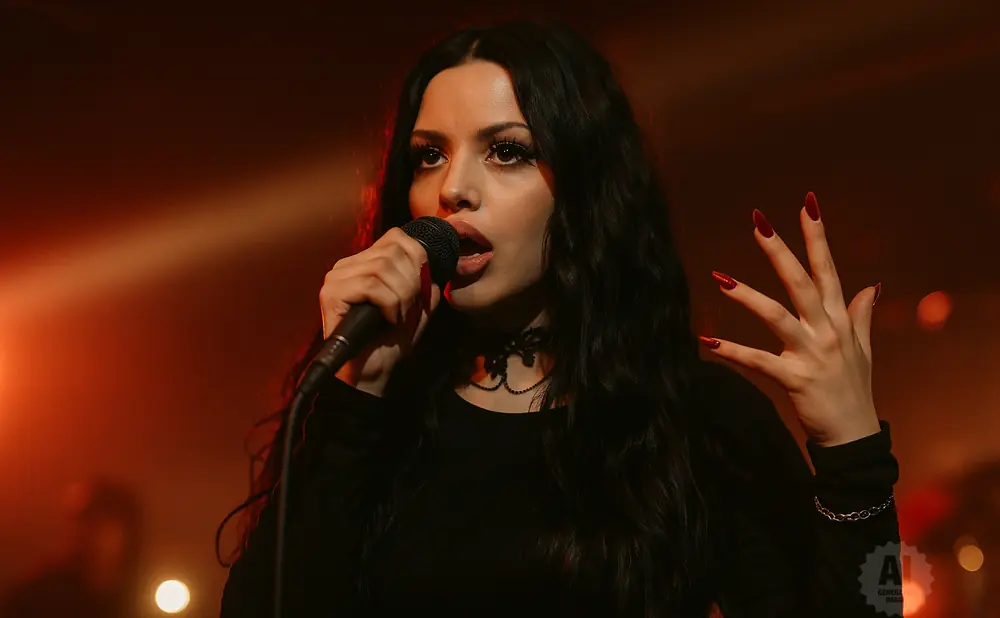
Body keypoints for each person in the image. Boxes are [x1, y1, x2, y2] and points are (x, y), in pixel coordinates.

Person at [219, 20, 900, 617]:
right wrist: (355, 397)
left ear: (584, 187)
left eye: (506, 150)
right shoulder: (371, 414)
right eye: (429, 154)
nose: (452, 187)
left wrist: (853, 456)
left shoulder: (698, 421)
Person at [1, 479, 143, 618]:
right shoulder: (38, 595)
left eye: (105, 523)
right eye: (88, 521)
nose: (95, 534)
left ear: (126, 533)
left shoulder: (139, 596)